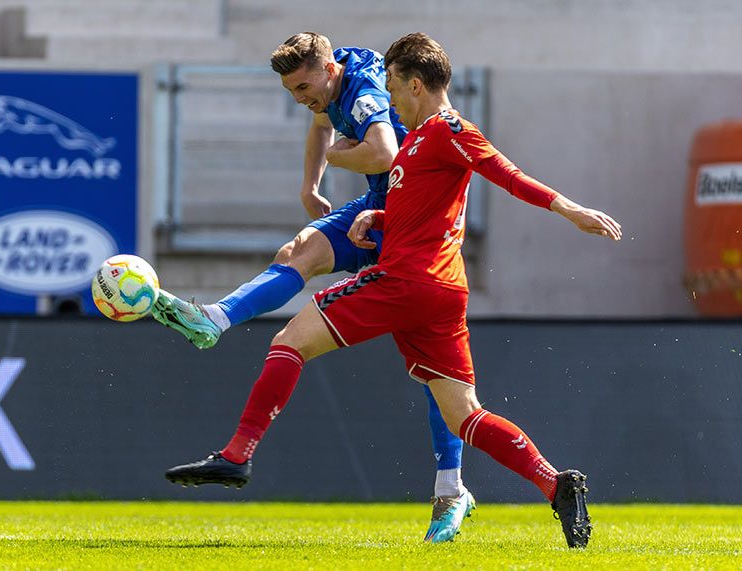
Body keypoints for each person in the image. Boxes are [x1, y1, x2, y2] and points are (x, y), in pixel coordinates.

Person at [164, 32, 622, 548]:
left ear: (417, 84)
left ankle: (237, 456)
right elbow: (430, 207)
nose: (389, 100)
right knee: (464, 414)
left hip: (405, 282)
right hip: (441, 293)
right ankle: (554, 482)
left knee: (289, 342)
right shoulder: (421, 141)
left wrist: (570, 209)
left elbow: (506, 174)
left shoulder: (448, 129)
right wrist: (377, 218)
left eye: (394, 88)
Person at [152, 32, 473, 542]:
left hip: (409, 226)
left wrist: (341, 158)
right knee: (296, 252)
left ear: (328, 68)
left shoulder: (365, 88)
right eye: (292, 93)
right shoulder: (331, 84)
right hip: (375, 210)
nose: (301, 99)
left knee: (438, 379)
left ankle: (451, 489)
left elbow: (386, 155)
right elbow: (322, 126)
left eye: (304, 87)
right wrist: (310, 184)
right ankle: (216, 318)